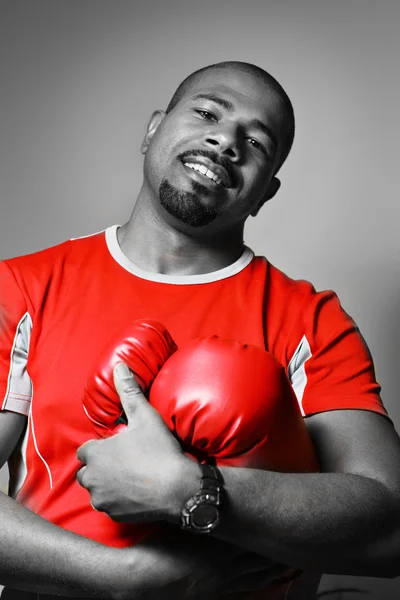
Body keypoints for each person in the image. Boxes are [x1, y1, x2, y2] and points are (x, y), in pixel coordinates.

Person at [1, 61, 400, 600]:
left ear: (266, 194)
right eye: (208, 112)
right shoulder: (23, 287)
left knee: (229, 380)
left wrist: (193, 491)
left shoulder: (310, 319)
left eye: (256, 143)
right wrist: (126, 578)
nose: (225, 140)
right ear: (152, 130)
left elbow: (389, 525)